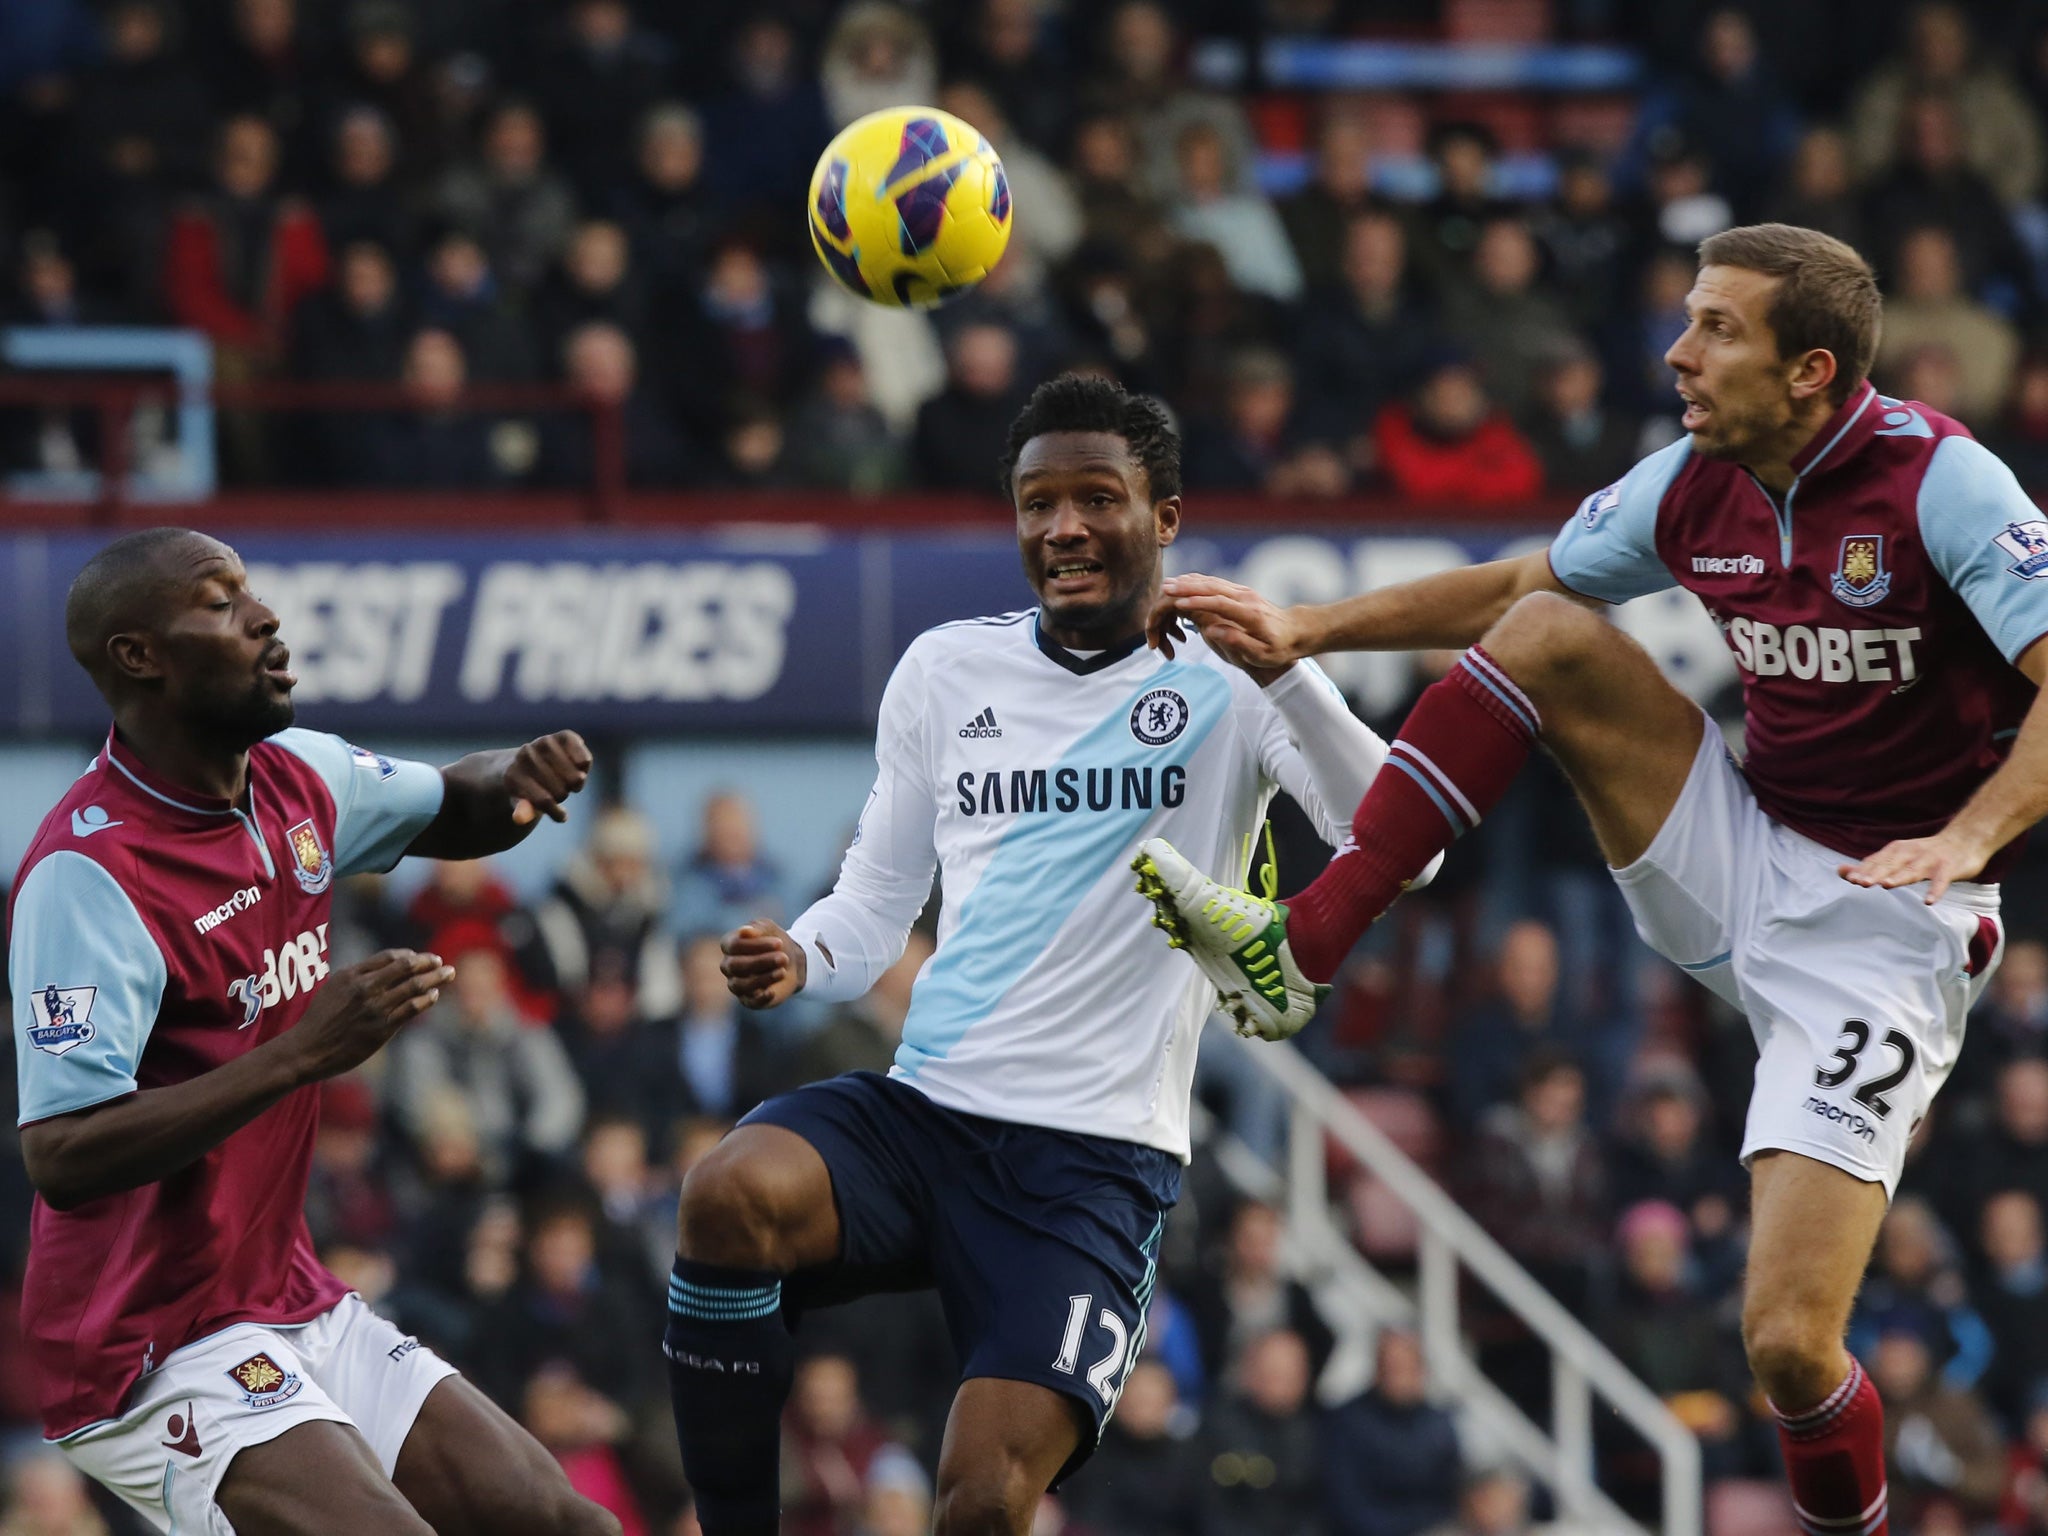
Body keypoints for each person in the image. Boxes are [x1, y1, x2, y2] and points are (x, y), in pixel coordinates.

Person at [1135, 222, 2048, 1536]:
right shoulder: (1693, 481)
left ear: (1813, 370)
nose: (1678, 351)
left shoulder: (1944, 485)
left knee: (1788, 1344)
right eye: (1686, 318)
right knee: (1553, 629)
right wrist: (1306, 629)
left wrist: (1968, 837)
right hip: (1737, 847)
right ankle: (1306, 945)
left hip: (1890, 924)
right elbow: (1520, 581)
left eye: (1718, 328)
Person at [665, 373, 1422, 1536]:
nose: (1060, 527)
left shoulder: (1235, 670)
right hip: (927, 1116)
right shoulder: (943, 670)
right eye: (1034, 504)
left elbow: (1400, 849)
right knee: (725, 1197)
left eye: (1093, 498)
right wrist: (800, 955)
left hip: (1091, 1168)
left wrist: (1285, 672)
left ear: (1162, 517)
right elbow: (872, 903)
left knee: (977, 1501)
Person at [8, 527, 613, 1535]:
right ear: (138, 656)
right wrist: (298, 1055)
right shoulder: (90, 875)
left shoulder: (298, 776)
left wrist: (521, 772)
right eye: (217, 602)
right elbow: (61, 1155)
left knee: (565, 1522)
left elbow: (457, 806)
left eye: (250, 592)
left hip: (286, 1293)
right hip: (143, 1342)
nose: (263, 617)